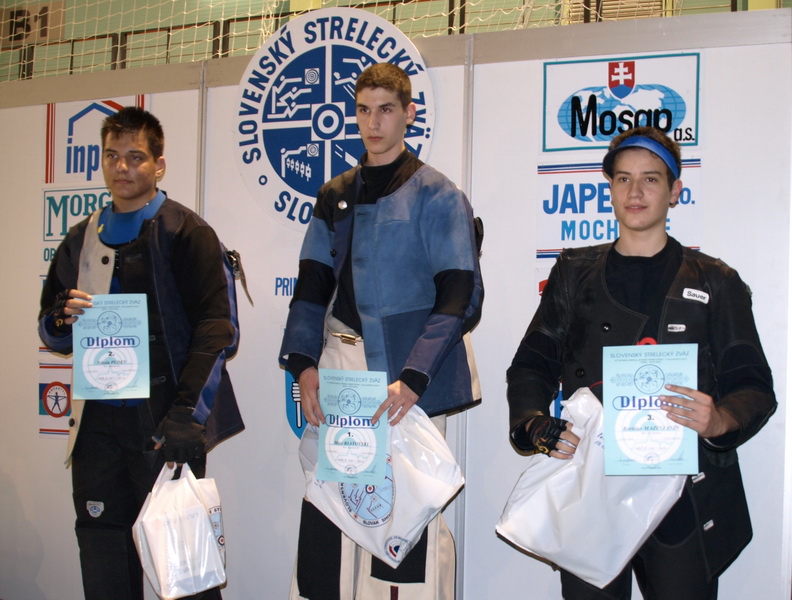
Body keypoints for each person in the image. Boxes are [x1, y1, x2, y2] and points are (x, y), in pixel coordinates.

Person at [506, 126, 776, 599]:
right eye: (623, 179)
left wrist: (720, 420)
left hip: (683, 497)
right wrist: (533, 423)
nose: (635, 192)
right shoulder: (573, 273)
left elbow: (753, 385)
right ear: (609, 189)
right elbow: (532, 363)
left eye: (651, 179)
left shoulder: (716, 281)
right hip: (592, 488)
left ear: (675, 191)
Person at [279, 62, 483, 600]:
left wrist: (415, 377)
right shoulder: (334, 195)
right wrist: (303, 364)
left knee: (404, 514)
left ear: (408, 114)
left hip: (406, 378)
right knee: (330, 502)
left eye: (386, 110)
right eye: (364, 110)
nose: (373, 123)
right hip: (340, 367)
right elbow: (310, 286)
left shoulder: (438, 195)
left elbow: (460, 296)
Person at [38, 106, 244, 600]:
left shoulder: (187, 232)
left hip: (165, 425)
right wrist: (62, 319)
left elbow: (219, 331)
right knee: (104, 561)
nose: (122, 167)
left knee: (186, 571)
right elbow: (52, 331)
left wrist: (186, 415)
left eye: (135, 157)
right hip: (97, 428)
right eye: (112, 156)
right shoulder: (80, 238)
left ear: (159, 165)